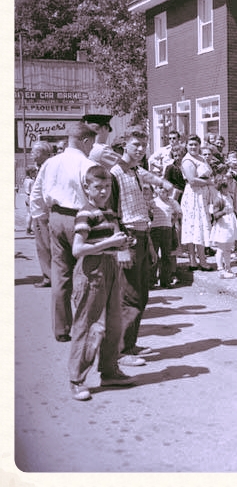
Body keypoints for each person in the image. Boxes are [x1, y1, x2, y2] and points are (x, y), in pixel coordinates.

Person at [68, 165, 137, 401]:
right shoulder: (86, 213)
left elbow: (111, 240)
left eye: (107, 186)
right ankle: (77, 379)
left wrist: (123, 243)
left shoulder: (109, 213)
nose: (103, 191)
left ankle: (109, 371)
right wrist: (108, 244)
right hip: (91, 272)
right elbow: (78, 249)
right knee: (88, 327)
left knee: (114, 324)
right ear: (87, 188)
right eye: (98, 187)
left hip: (110, 268)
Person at [109, 126, 174, 367]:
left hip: (142, 235)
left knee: (142, 294)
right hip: (128, 237)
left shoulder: (136, 171)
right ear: (124, 145)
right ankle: (121, 351)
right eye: (135, 145)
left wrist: (147, 245)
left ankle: (131, 343)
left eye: (143, 146)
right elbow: (111, 213)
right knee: (129, 296)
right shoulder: (115, 173)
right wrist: (121, 247)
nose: (140, 149)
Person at [29, 122, 97, 342]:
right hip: (81, 217)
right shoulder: (87, 163)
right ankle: (85, 324)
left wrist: (42, 217)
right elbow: (95, 195)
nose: (91, 147)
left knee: (60, 273)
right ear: (85, 141)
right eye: (91, 143)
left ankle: (61, 328)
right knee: (88, 271)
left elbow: (37, 194)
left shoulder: (50, 163)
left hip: (56, 217)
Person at [180, 135, 215, 271]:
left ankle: (200, 259)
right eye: (190, 145)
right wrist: (209, 182)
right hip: (194, 195)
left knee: (200, 226)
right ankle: (195, 260)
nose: (193, 147)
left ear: (199, 145)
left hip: (203, 196)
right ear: (186, 146)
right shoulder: (187, 160)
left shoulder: (200, 158)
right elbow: (192, 180)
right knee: (194, 226)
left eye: (195, 144)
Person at [28, 141, 55, 288]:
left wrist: (45, 211)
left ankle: (49, 277)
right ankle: (49, 275)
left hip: (42, 213)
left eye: (35, 152)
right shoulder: (43, 166)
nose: (32, 155)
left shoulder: (48, 166)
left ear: (45, 153)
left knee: (44, 246)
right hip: (39, 212)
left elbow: (47, 190)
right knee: (44, 245)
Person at [149, 183, 182, 288]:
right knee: (153, 255)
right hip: (155, 230)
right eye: (160, 188)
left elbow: (178, 213)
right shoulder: (152, 202)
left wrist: (172, 223)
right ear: (157, 190)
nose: (163, 190)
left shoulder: (172, 202)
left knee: (166, 256)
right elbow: (148, 213)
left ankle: (165, 281)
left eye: (165, 189)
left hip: (167, 230)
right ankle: (151, 281)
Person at [209, 172, 237, 279]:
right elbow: (215, 214)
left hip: (230, 225)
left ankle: (228, 267)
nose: (230, 188)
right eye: (227, 186)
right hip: (223, 226)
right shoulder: (219, 199)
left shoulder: (229, 196)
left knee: (228, 248)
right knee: (221, 248)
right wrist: (224, 212)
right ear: (222, 188)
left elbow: (232, 209)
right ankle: (220, 269)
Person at [23, 165, 38, 234]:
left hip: (26, 197)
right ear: (30, 172)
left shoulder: (25, 180)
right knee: (32, 214)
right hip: (30, 198)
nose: (36, 173)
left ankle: (28, 228)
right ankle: (29, 229)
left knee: (28, 214)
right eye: (35, 172)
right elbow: (33, 191)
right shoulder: (31, 181)